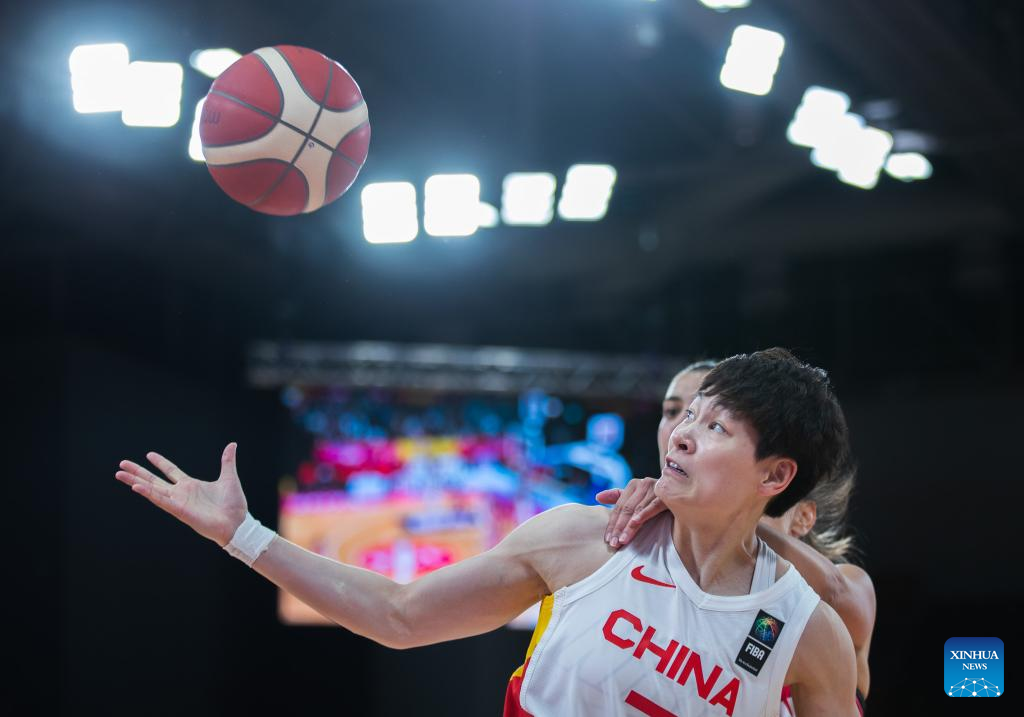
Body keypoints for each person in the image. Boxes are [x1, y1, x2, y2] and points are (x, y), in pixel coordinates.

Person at [115, 348, 859, 716]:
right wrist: (242, 533)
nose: (684, 433)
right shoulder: (583, 540)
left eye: (717, 426)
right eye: (685, 415)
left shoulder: (806, 630)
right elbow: (399, 615)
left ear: (775, 475)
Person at [596, 360, 875, 714]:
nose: (681, 426)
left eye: (716, 425)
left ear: (801, 513)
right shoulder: (658, 565)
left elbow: (837, 591)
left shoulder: (830, 600)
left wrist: (717, 518)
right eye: (676, 411)